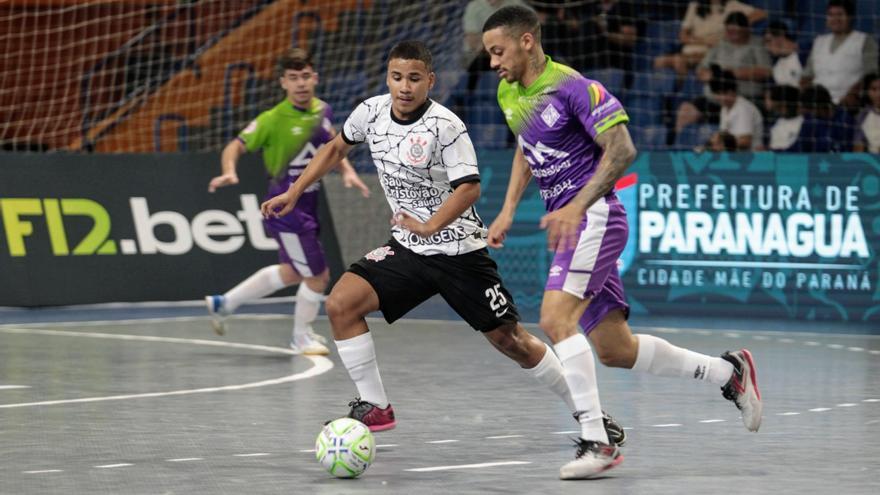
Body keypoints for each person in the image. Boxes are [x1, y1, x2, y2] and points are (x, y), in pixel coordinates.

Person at [261, 40, 625, 443]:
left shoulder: (446, 126)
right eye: (397, 77)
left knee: (513, 341)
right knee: (341, 303)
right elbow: (334, 149)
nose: (404, 87)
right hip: (407, 248)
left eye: (414, 79)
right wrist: (294, 191)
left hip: (458, 253)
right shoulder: (370, 112)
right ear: (388, 77)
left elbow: (468, 189)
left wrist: (430, 225)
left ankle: (586, 411)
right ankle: (376, 407)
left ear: (429, 81)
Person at [481, 5, 762, 479]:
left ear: (527, 41)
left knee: (554, 319)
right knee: (615, 349)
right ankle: (728, 372)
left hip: (593, 215)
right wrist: (509, 207)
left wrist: (576, 203)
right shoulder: (509, 91)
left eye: (498, 51)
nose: (492, 62)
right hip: (573, 224)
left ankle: (598, 440)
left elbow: (623, 149)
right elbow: (526, 148)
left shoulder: (574, 87)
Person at [205, 48, 370, 355]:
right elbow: (234, 146)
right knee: (318, 277)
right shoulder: (272, 119)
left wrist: (347, 171)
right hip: (286, 209)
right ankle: (300, 336)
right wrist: (229, 171)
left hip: (309, 205)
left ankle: (224, 303)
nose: (301, 84)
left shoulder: (323, 111)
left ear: (315, 78)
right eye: (293, 78)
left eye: (305, 76)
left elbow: (332, 144)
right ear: (283, 83)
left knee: (293, 272)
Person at [675, 12, 771, 135]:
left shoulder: (757, 44)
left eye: (736, 32)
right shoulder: (721, 44)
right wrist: (710, 75)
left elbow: (766, 71)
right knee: (686, 110)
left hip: (743, 100)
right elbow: (701, 70)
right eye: (729, 31)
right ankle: (678, 148)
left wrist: (731, 73)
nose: (731, 35)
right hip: (715, 100)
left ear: (746, 29)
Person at [654, 0, 766, 78]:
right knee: (659, 61)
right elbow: (683, 36)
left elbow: (762, 13)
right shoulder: (694, 6)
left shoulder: (732, 5)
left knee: (679, 61)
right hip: (689, 51)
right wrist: (703, 41)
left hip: (710, 52)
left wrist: (739, 23)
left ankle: (679, 95)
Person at [801, 0, 878, 109]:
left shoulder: (864, 40)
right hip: (817, 105)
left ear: (850, 17)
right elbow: (806, 76)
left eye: (840, 14)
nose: (835, 19)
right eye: (831, 15)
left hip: (848, 105)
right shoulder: (819, 41)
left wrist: (852, 95)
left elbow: (870, 76)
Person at [715, 70, 764, 150]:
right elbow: (723, 136)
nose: (721, 98)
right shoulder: (724, 109)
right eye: (718, 94)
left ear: (733, 91)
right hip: (733, 155)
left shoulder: (744, 108)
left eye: (725, 93)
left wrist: (721, 146)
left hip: (751, 156)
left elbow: (745, 141)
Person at [764, 20, 802, 88]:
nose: (767, 47)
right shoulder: (774, 64)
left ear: (781, 35)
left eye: (769, 41)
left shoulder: (804, 53)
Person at [854, 73, 880, 153]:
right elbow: (858, 148)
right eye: (874, 89)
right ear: (867, 91)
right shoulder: (863, 116)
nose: (878, 94)